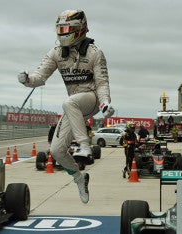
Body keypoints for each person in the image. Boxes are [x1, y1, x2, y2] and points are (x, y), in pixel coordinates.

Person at [18, 9, 114, 203]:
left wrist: (105, 102)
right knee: (57, 151)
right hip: (73, 106)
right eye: (61, 29)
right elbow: (40, 76)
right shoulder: (56, 53)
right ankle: (80, 178)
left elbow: (102, 82)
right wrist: (27, 80)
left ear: (80, 29)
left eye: (68, 28)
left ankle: (85, 146)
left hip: (92, 98)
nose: (64, 32)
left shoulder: (95, 53)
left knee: (69, 102)